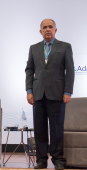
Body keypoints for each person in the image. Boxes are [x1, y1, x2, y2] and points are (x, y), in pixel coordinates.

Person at [25, 19, 74, 170]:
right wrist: (29, 90)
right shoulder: (34, 48)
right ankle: (41, 160)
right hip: (38, 94)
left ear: (55, 30)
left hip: (57, 94)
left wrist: (67, 91)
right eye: (44, 27)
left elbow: (70, 71)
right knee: (39, 129)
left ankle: (58, 160)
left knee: (57, 128)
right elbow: (29, 70)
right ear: (40, 31)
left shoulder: (65, 47)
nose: (48, 29)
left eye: (50, 27)